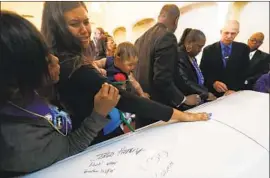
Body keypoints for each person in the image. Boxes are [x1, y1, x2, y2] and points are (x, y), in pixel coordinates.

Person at [41, 2, 209, 136]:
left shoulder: (66, 59)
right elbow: (126, 98)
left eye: (86, 22)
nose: (84, 30)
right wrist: (182, 114)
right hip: (92, 138)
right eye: (74, 24)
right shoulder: (70, 65)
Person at [0, 11, 120, 177]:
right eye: (45, 59)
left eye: (87, 22)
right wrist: (98, 114)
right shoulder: (20, 138)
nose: (56, 60)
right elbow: (69, 147)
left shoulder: (23, 93)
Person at [134, 4, 201, 128]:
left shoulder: (139, 40)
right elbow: (162, 79)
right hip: (160, 111)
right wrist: (183, 99)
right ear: (176, 20)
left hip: (142, 107)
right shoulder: (167, 37)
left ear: (160, 16)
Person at [200, 20, 250, 97]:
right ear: (221, 32)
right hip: (213, 94)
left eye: (233, 33)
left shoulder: (243, 48)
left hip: (235, 93)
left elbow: (245, 72)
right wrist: (213, 83)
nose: (229, 36)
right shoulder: (209, 50)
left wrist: (234, 89)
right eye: (226, 33)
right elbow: (203, 72)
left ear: (237, 33)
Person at [176, 28, 216, 110]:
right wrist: (206, 94)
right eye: (199, 46)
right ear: (189, 43)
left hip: (197, 99)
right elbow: (185, 82)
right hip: (186, 102)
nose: (200, 50)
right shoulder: (179, 56)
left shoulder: (192, 57)